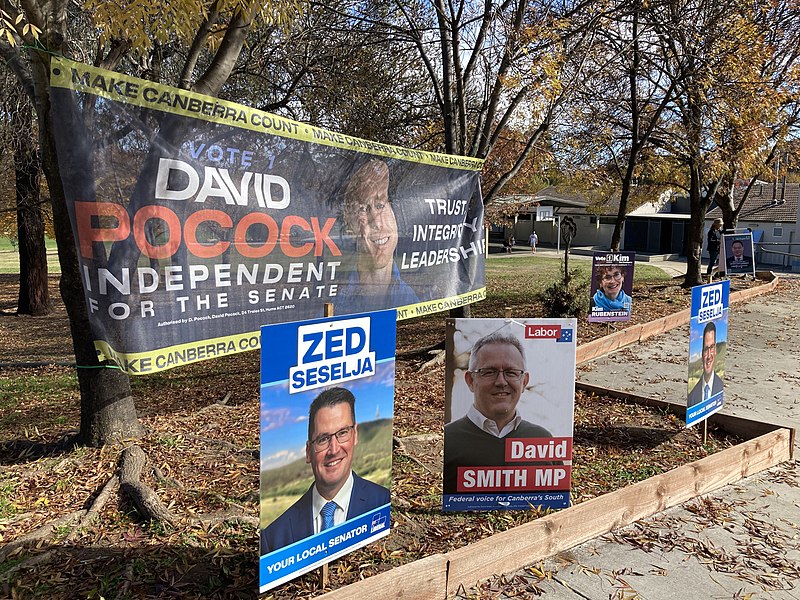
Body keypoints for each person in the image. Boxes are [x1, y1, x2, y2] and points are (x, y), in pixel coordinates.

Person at [260, 387, 390, 554]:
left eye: (342, 433)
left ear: (355, 435)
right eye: (323, 439)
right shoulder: (273, 538)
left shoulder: (383, 501)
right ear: (308, 452)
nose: (334, 450)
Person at [443, 332, 553, 495]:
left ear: (524, 382)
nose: (501, 382)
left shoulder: (542, 440)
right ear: (470, 381)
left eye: (511, 372)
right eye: (489, 372)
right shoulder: (448, 440)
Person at [339, 159, 419, 311]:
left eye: (381, 205)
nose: (377, 222)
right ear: (349, 225)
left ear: (396, 216)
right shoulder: (333, 308)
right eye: (363, 209)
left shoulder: (413, 303)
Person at [687, 321, 724, 407]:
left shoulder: (720, 388)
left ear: (715, 350)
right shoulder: (692, 396)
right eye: (706, 349)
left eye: (711, 348)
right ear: (702, 353)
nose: (708, 356)